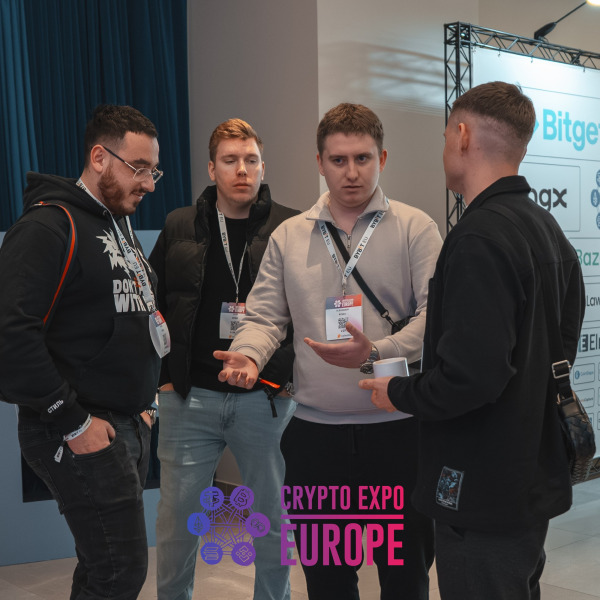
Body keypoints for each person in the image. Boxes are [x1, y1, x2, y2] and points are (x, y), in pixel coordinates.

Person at [360, 81, 585, 599]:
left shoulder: (479, 236)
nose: (444, 148)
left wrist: (398, 392)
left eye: (445, 136)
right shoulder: (546, 228)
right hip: (528, 473)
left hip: (483, 485)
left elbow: (471, 377)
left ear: (462, 136)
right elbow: (561, 347)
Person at [216, 103, 442, 599]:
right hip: (315, 438)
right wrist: (249, 354)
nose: (351, 172)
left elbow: (437, 318)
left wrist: (376, 349)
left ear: (382, 158)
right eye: (338, 160)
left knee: (404, 578)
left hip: (398, 433)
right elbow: (265, 315)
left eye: (363, 158)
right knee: (327, 581)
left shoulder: (415, 228)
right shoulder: (290, 235)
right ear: (319, 163)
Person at [0, 104, 166, 599]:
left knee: (102, 567)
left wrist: (146, 404)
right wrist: (73, 422)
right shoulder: (47, 227)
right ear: (99, 157)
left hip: (128, 423)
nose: (149, 183)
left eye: (154, 171)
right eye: (139, 168)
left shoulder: (118, 224)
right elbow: (11, 336)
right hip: (78, 425)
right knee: (121, 571)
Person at [149, 118, 298, 600]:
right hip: (189, 397)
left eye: (251, 160)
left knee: (273, 521)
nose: (242, 170)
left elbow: (303, 314)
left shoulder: (290, 227)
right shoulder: (179, 225)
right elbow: (153, 306)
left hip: (266, 400)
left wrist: (284, 379)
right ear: (212, 169)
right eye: (230, 161)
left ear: (263, 166)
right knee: (177, 524)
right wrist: (164, 379)